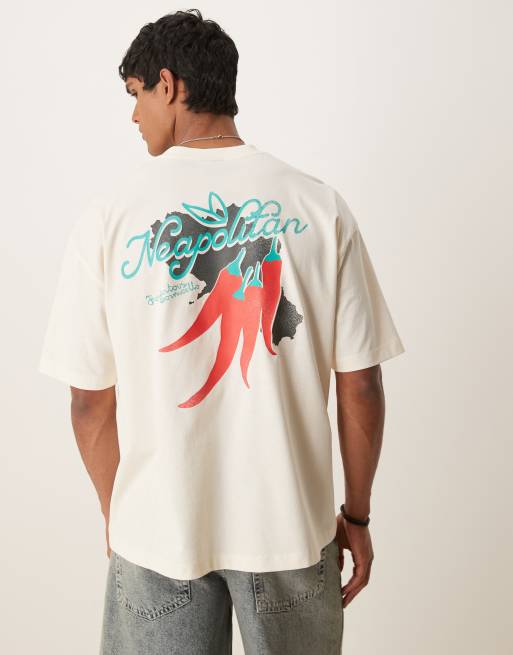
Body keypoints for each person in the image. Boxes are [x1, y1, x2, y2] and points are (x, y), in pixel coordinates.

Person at [38, 9, 405, 655]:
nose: (134, 116)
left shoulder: (109, 216)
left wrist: (121, 515)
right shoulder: (318, 205)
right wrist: (356, 514)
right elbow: (361, 383)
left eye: (136, 94)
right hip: (290, 530)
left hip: (159, 533)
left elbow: (89, 400)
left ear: (169, 84)